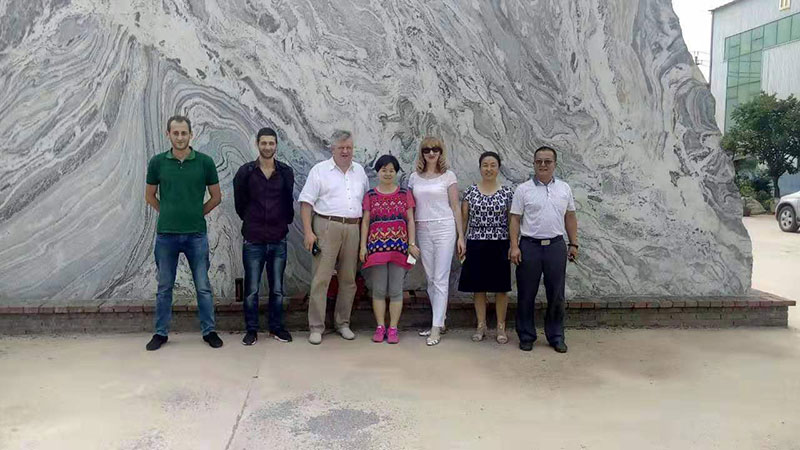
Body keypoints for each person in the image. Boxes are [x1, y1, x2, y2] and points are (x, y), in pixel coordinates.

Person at [144, 115, 223, 350]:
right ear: (168, 134)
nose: (180, 137)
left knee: (203, 286)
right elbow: (150, 196)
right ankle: (160, 333)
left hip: (196, 235)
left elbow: (216, 197)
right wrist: (167, 212)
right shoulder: (157, 162)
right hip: (166, 235)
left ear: (191, 135)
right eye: (175, 133)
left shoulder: (205, 162)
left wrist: (197, 213)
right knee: (164, 287)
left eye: (184, 133)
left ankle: (209, 331)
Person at [298, 130, 369, 345]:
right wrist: (308, 232)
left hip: (353, 227)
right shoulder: (320, 170)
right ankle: (316, 326)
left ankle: (343, 323)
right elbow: (306, 203)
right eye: (341, 147)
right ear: (333, 149)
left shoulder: (360, 171)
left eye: (349, 147)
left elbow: (366, 204)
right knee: (321, 278)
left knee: (348, 279)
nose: (345, 151)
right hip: (326, 226)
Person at [509, 146, 579, 353]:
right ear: (534, 163)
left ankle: (556, 336)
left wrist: (573, 243)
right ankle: (526, 336)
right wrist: (514, 246)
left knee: (556, 295)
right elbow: (515, 219)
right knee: (526, 293)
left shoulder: (564, 188)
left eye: (547, 161)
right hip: (529, 247)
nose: (543, 165)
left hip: (555, 247)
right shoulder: (523, 189)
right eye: (539, 161)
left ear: (555, 164)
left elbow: (570, 216)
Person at [233, 127, 295, 346]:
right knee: (251, 290)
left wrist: (282, 222)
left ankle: (276, 328)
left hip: (278, 238)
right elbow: (240, 204)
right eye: (264, 143)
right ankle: (251, 330)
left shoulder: (285, 172)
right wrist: (253, 220)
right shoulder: (246, 172)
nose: (268, 147)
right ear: (257, 144)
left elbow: (288, 201)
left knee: (277, 289)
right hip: (254, 239)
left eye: (271, 143)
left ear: (276, 145)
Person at [408, 136, 466, 346]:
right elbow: (411, 209)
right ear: (422, 153)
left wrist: (461, 236)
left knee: (441, 278)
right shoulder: (414, 178)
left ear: (441, 152)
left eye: (435, 149)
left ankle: (435, 328)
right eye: (427, 150)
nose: (431, 153)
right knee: (431, 279)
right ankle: (440, 321)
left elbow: (455, 206)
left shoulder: (448, 176)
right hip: (423, 227)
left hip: (444, 227)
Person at [359, 155, 420, 344]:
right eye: (384, 170)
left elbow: (410, 220)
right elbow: (365, 222)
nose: (387, 173)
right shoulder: (370, 195)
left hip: (399, 248)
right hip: (376, 249)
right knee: (378, 290)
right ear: (377, 172)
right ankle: (380, 327)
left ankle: (393, 328)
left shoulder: (404, 194)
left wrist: (411, 244)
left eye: (391, 170)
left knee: (395, 290)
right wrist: (363, 246)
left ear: (396, 172)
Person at [458, 151, 514, 344]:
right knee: (478, 287)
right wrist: (461, 240)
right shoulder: (470, 191)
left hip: (500, 244)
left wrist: (513, 244)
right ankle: (481, 325)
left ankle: (500, 326)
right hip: (476, 243)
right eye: (485, 165)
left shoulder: (507, 192)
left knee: (501, 288)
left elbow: (512, 221)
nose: (489, 169)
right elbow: (464, 219)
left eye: (492, 165)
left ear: (498, 168)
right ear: (480, 168)